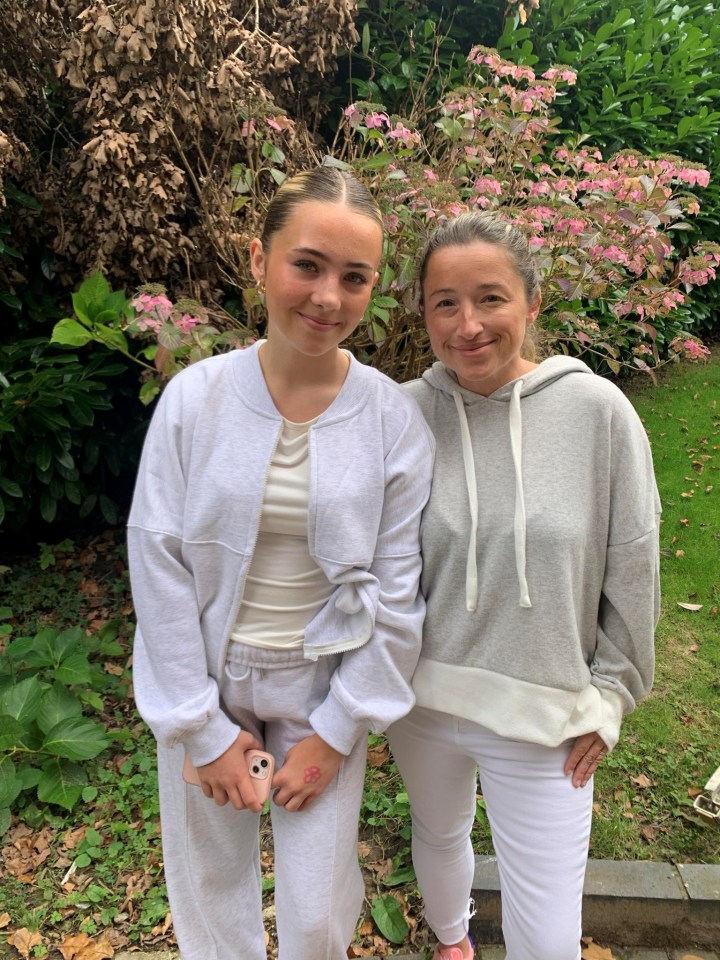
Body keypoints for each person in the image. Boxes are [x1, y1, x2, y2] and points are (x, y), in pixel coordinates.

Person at [126, 166, 435, 960]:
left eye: (355, 277)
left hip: (324, 685)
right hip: (209, 676)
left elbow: (398, 593)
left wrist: (337, 732)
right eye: (308, 264)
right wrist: (199, 727)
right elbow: (157, 559)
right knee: (210, 894)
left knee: (316, 910)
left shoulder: (392, 421)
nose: (328, 297)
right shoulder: (195, 400)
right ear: (258, 260)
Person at [387, 212, 660, 960]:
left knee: (546, 935)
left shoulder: (596, 411)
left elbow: (633, 559)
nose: (467, 324)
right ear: (422, 310)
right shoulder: (404, 414)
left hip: (547, 717)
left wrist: (612, 693)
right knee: (439, 836)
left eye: (490, 298)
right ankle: (451, 943)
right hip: (422, 702)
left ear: (531, 303)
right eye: (445, 301)